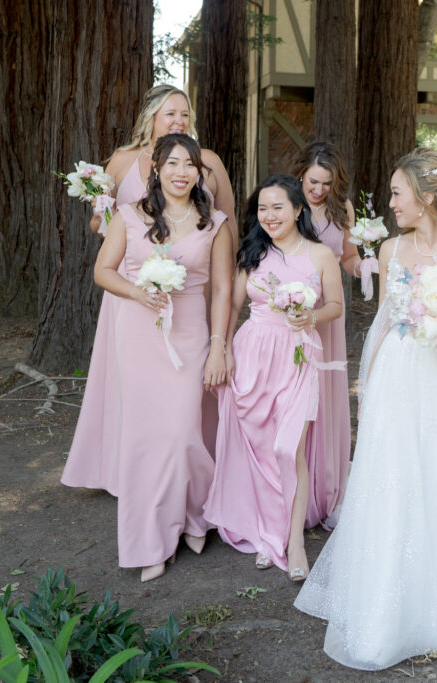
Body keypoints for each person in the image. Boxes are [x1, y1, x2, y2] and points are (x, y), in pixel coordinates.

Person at [295, 148, 437, 671]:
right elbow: (382, 322)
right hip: (402, 373)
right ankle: (388, 606)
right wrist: (368, 386)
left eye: (398, 193)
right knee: (396, 478)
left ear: (424, 197)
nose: (392, 202)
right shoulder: (394, 250)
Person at [62, 84, 236, 496]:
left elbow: (226, 216)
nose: (178, 121)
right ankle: (130, 473)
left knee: (189, 387)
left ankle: (193, 474)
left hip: (192, 287)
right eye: (169, 114)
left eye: (184, 114)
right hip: (132, 292)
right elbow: (101, 230)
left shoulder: (206, 161)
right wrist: (99, 212)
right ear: (151, 118)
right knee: (131, 386)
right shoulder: (122, 161)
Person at [89, 133, 234, 582]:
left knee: (183, 434)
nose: (181, 172)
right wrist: (138, 291)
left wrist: (219, 345)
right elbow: (103, 271)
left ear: (198, 172)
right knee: (144, 442)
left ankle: (194, 514)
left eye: (189, 164)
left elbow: (224, 289)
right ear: (156, 168)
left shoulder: (216, 223)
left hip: (191, 335)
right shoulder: (130, 217)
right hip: (139, 335)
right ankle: (149, 541)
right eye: (171, 163)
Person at [203, 174, 343, 580]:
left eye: (277, 207)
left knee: (287, 449)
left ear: (298, 209)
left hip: (298, 357)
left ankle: (295, 541)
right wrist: (222, 348)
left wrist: (311, 316)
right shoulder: (253, 251)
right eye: (262, 208)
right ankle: (268, 534)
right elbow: (231, 303)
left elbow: (335, 303)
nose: (269, 215)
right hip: (252, 356)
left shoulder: (319, 255)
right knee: (261, 451)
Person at [289, 142, 361, 528]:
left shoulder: (342, 209)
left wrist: (362, 267)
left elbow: (346, 257)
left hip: (329, 312)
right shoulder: (287, 202)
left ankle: (329, 490)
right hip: (294, 311)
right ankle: (295, 488)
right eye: (313, 182)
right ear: (301, 173)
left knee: (328, 394)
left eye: (326, 184)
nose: (317, 190)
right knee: (297, 392)